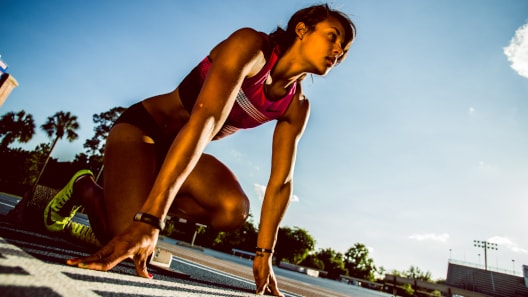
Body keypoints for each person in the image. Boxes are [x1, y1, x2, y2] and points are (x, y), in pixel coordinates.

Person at [44, 4, 356, 296]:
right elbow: (205, 119)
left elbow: (282, 182)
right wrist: (150, 219)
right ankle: (85, 187)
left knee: (233, 210)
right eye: (333, 37)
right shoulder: (251, 47)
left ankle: (132, 203)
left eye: (343, 50)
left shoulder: (296, 106)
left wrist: (265, 254)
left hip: (180, 153)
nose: (338, 51)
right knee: (128, 233)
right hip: (144, 132)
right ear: (301, 29)